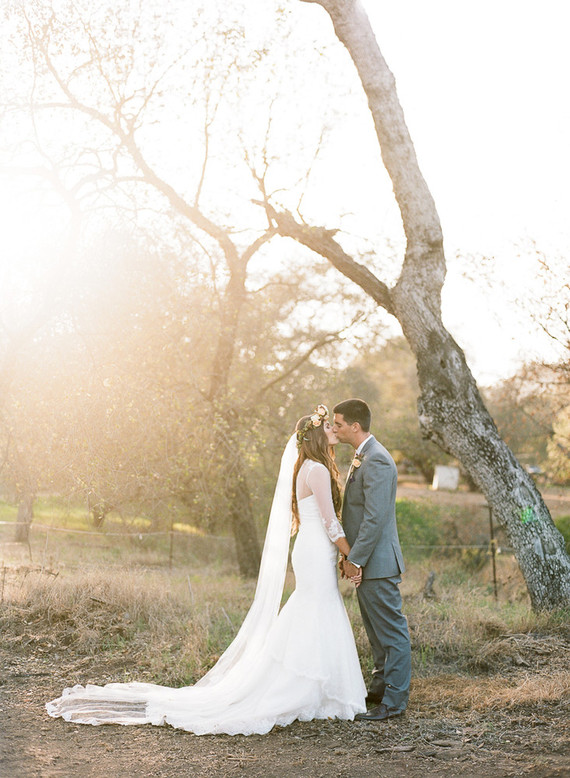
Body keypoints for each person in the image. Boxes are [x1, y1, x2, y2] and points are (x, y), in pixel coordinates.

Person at [46, 405, 366, 735]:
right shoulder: (316, 470)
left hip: (313, 550)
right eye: (327, 427)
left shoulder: (308, 467)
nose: (332, 430)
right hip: (315, 549)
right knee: (315, 607)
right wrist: (352, 558)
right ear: (314, 435)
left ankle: (314, 687)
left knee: (312, 608)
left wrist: (341, 556)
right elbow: (330, 523)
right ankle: (307, 689)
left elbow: (328, 523)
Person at [332, 398, 411, 721]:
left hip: (376, 562)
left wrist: (356, 559)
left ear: (355, 425)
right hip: (369, 562)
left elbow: (375, 518)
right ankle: (379, 691)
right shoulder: (363, 455)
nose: (334, 429)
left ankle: (394, 701)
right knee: (377, 634)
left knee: (392, 633)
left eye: (338, 424)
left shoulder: (376, 460)